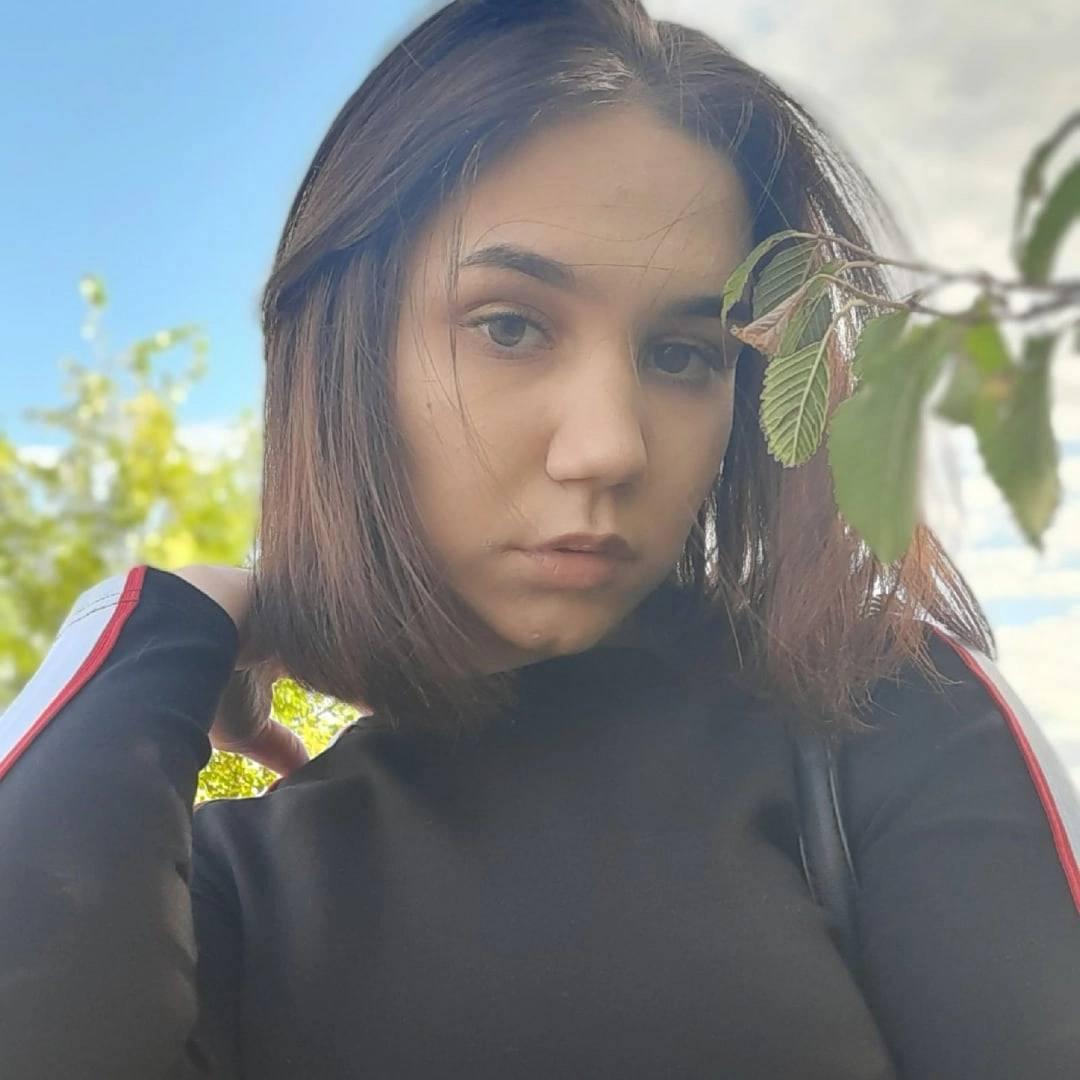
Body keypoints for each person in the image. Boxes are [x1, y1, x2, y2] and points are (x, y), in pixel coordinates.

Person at [1, 0, 1078, 1076]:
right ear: (343, 355)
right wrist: (161, 631)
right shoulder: (226, 885)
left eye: (684, 354)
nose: (610, 447)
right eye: (510, 326)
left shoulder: (881, 716)